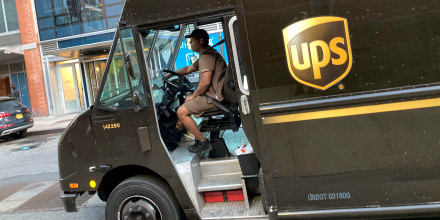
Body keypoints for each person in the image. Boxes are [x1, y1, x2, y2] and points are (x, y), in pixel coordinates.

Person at [168, 29, 227, 153]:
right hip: (215, 95)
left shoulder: (206, 57)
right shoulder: (207, 54)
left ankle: (202, 142)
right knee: (187, 97)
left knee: (181, 111)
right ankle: (180, 129)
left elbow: (205, 82)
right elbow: (189, 68)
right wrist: (170, 74)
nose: (190, 43)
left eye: (192, 40)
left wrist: (194, 96)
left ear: (200, 41)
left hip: (214, 98)